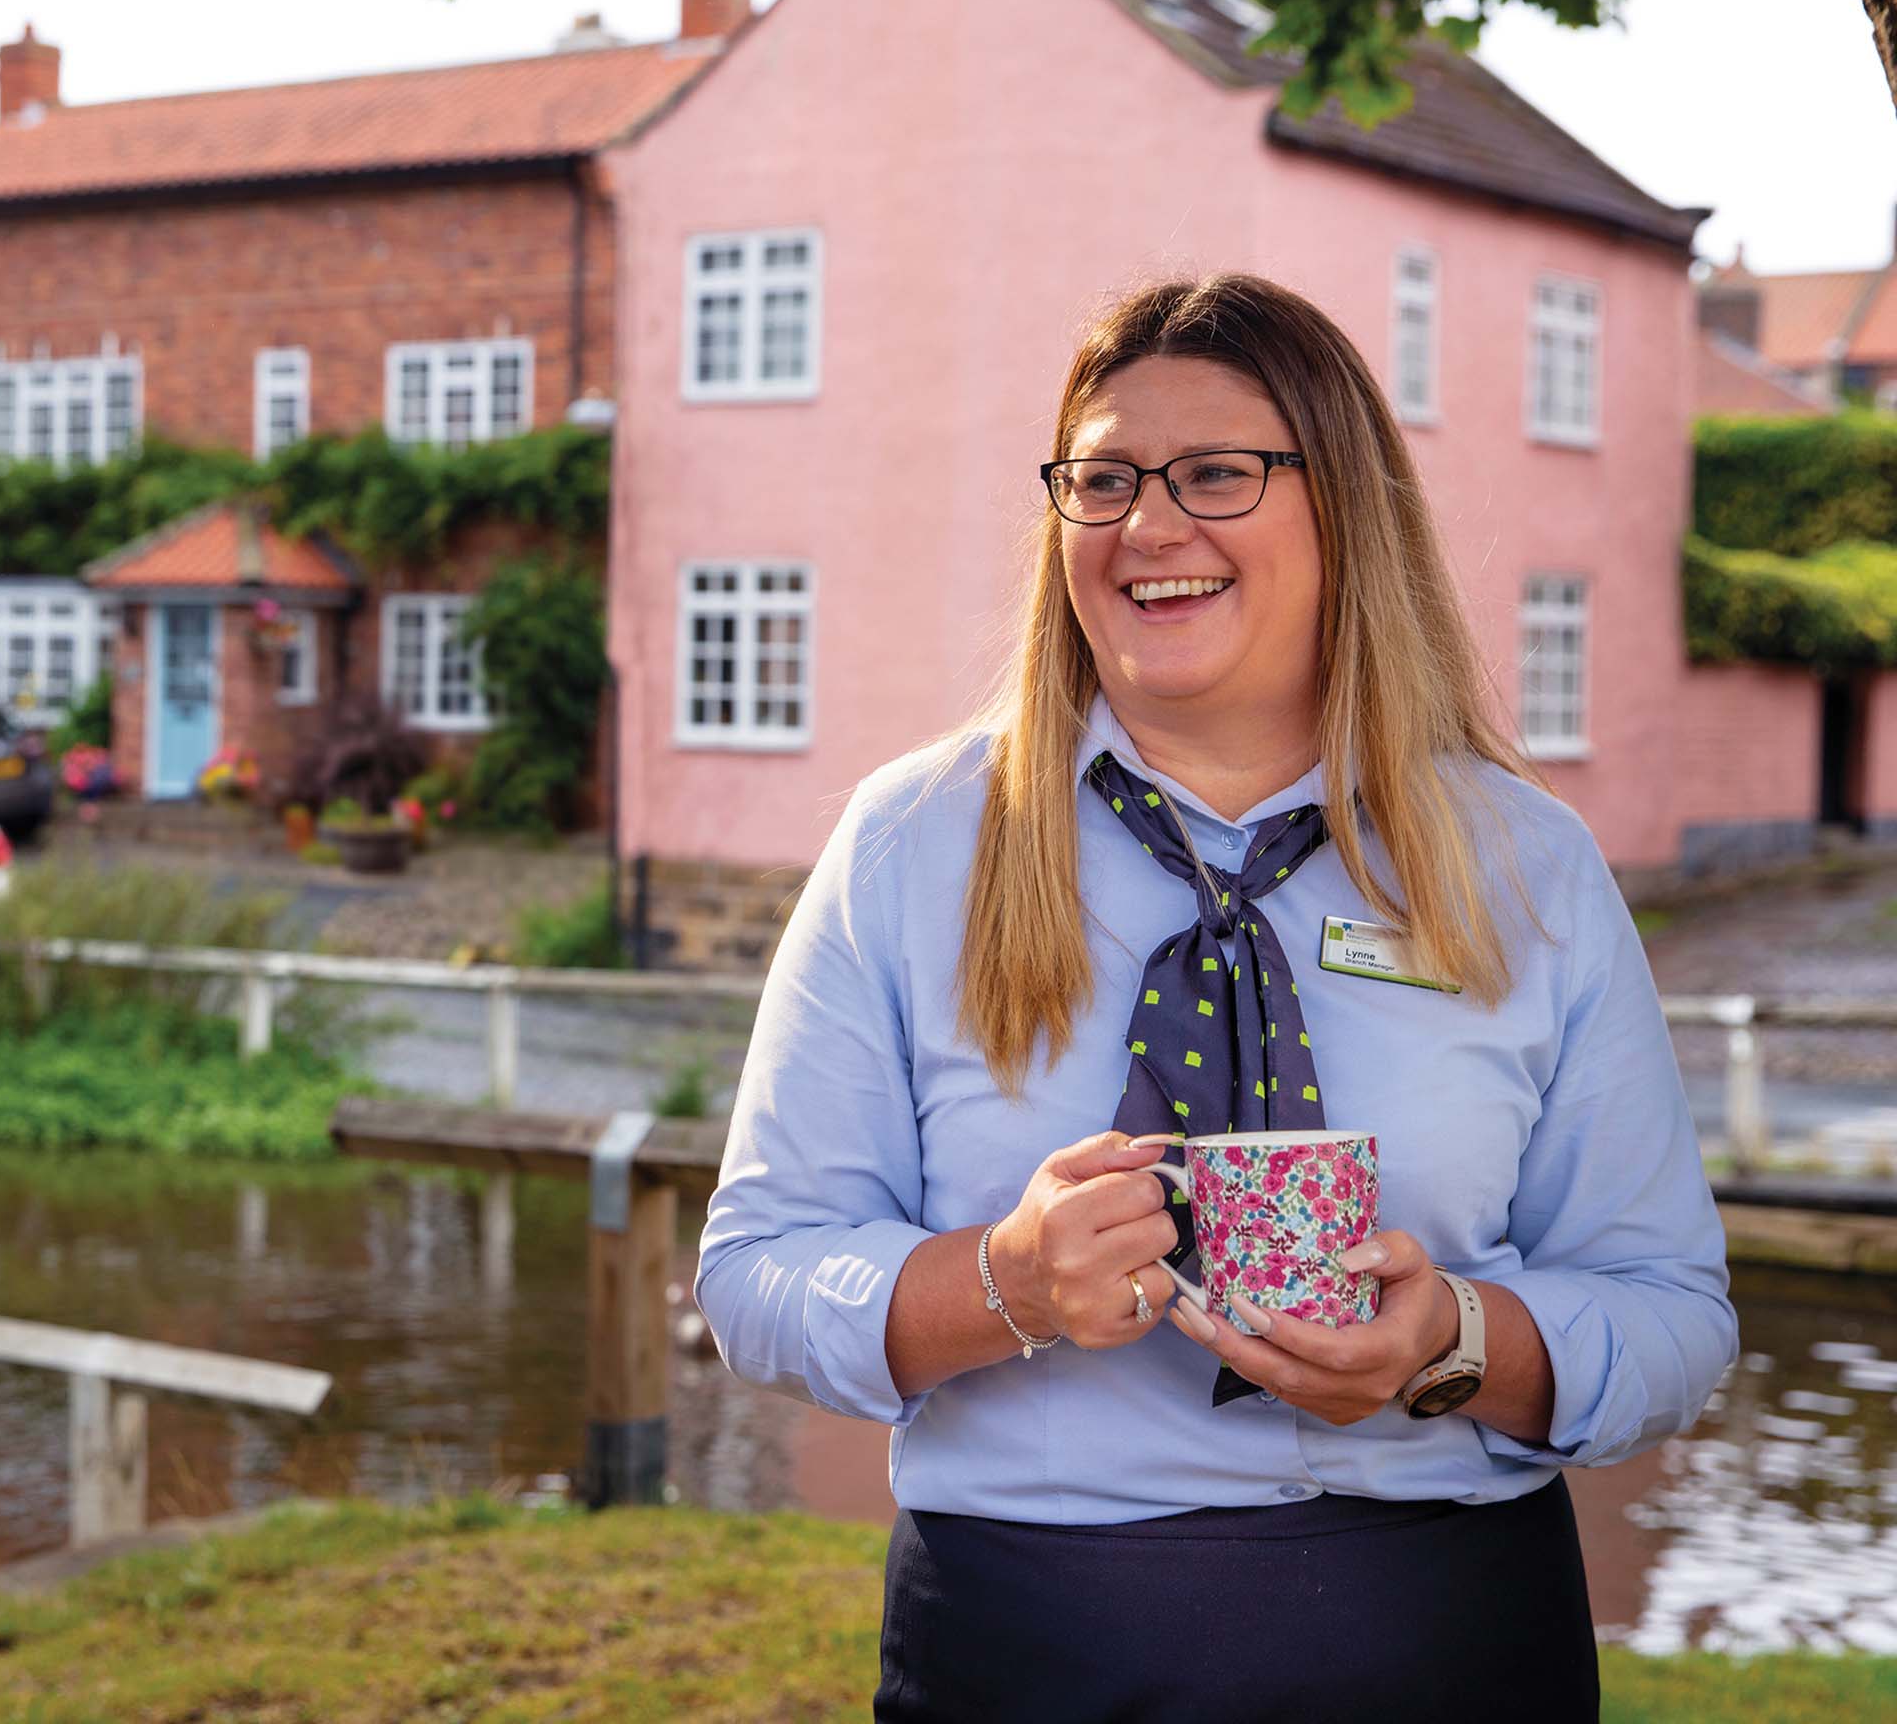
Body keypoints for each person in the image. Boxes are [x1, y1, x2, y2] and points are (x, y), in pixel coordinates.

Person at [695, 273, 1737, 1722]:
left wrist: (1450, 1345)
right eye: (1104, 478)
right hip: (1036, 1643)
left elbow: (1673, 1314)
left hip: (1452, 1642)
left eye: (1217, 474)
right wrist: (1002, 1283)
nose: (1149, 526)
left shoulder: (1529, 866)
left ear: (1343, 507)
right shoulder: (910, 843)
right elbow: (757, 1271)